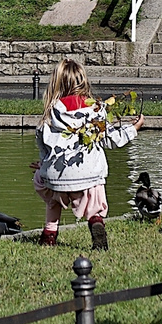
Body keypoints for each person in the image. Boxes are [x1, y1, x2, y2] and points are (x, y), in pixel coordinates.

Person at [33, 59, 141, 251]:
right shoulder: (96, 111)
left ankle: (49, 234)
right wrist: (133, 128)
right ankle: (96, 221)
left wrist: (44, 164)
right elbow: (111, 140)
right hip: (89, 175)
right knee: (95, 192)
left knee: (50, 191)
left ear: (55, 84)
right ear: (84, 81)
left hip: (56, 177)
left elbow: (44, 147)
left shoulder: (49, 115)